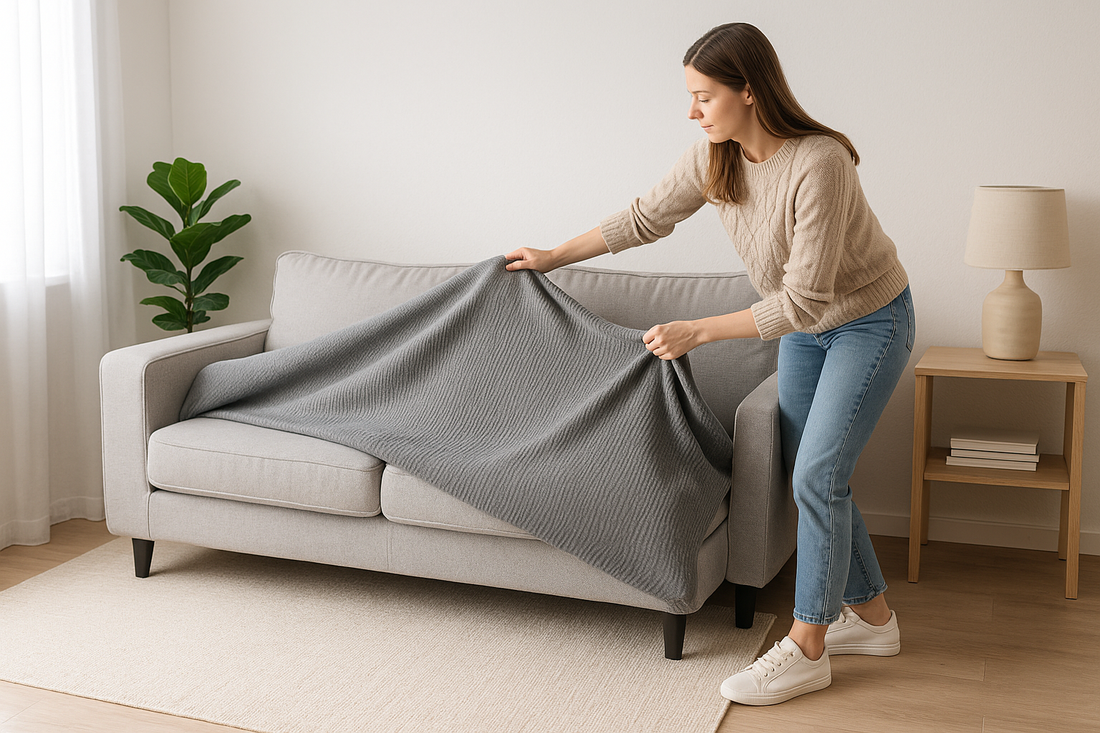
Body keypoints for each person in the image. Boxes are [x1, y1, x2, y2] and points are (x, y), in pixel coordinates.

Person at [504, 22, 914, 706]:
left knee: (818, 470)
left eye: (703, 96)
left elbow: (807, 299)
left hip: (866, 322)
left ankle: (809, 645)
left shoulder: (820, 163)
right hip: (810, 329)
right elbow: (642, 218)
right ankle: (871, 617)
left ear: (748, 92)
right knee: (815, 469)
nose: (692, 112)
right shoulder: (714, 158)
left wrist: (701, 330)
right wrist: (552, 256)